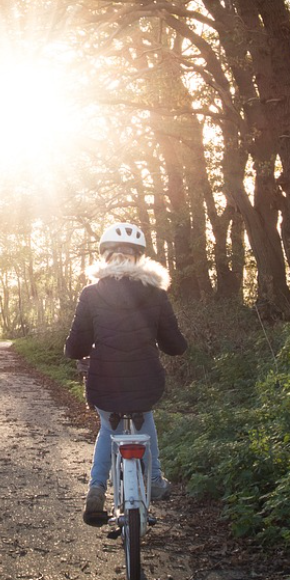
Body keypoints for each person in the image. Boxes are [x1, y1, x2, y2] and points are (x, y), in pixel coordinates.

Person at [64, 222, 188, 526]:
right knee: (145, 418)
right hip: (146, 379)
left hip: (103, 381)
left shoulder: (91, 293)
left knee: (109, 426)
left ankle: (96, 489)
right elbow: (174, 345)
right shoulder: (156, 293)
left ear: (106, 257)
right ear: (138, 258)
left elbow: (76, 344)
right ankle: (155, 479)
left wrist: (76, 352)